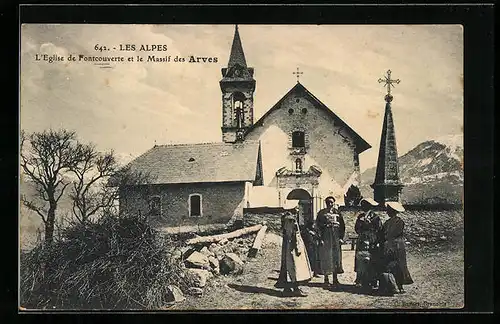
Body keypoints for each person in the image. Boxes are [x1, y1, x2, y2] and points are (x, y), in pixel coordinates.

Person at [274, 211, 312, 297]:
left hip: (291, 244)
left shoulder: (290, 219)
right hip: (292, 246)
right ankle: (295, 288)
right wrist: (295, 246)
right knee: (293, 266)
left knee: (290, 266)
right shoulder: (289, 220)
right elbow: (290, 234)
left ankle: (287, 288)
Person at [379, 201, 414, 294]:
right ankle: (391, 286)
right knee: (389, 266)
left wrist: (385, 239)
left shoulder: (399, 222)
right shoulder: (387, 223)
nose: (387, 211)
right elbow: (382, 234)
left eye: (389, 210)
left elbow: (392, 234)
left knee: (399, 266)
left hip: (397, 246)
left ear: (393, 211)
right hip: (389, 246)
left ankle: (400, 286)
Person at [316, 196, 345, 288]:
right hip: (326, 238)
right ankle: (326, 279)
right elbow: (318, 227)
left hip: (335, 238)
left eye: (331, 202)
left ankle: (335, 279)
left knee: (335, 257)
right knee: (326, 258)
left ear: (334, 203)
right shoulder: (321, 213)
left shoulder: (338, 213)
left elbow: (342, 227)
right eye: (328, 202)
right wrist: (320, 239)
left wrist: (341, 237)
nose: (330, 204)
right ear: (325, 203)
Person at [354, 198, 383, 291]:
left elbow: (379, 229)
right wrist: (361, 225)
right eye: (363, 205)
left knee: (372, 259)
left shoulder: (375, 217)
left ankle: (373, 280)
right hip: (362, 239)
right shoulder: (360, 216)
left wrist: (376, 240)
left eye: (365, 205)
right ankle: (360, 280)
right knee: (360, 259)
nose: (363, 207)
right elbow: (356, 228)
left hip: (372, 239)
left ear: (369, 206)